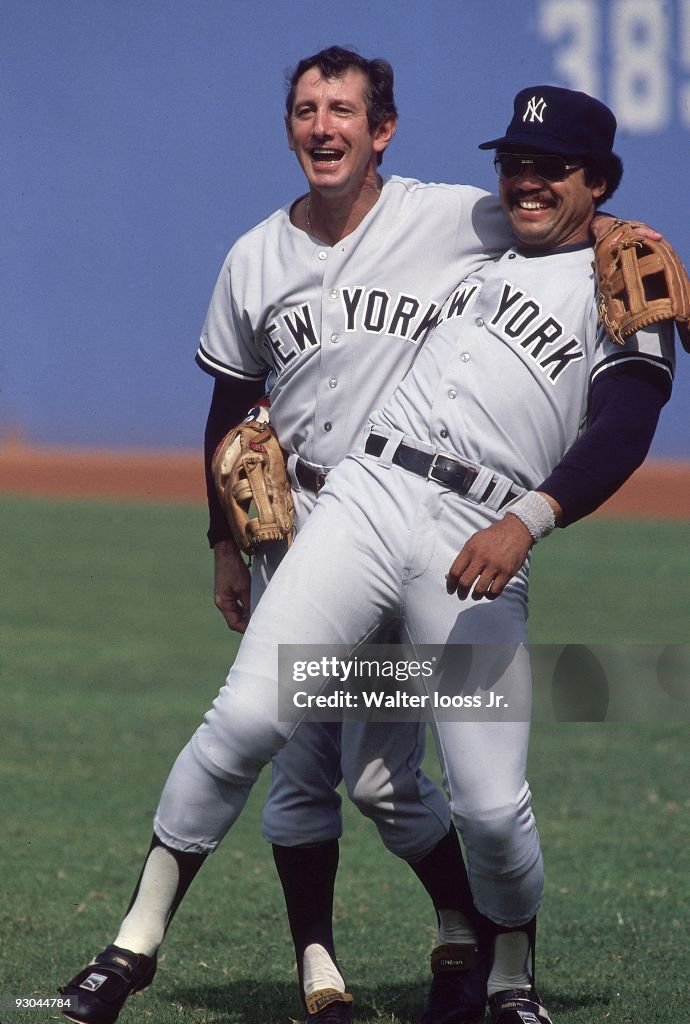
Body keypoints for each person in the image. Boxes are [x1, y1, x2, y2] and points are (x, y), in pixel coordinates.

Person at [59, 74, 672, 1024]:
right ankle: (130, 947)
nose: (528, 183)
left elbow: (629, 424)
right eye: (516, 164)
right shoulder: (475, 242)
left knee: (490, 807)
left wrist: (531, 519)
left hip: (480, 535)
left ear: (597, 180)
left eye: (552, 169)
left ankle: (510, 977)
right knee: (248, 719)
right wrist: (226, 527)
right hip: (366, 496)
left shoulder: (623, 283)